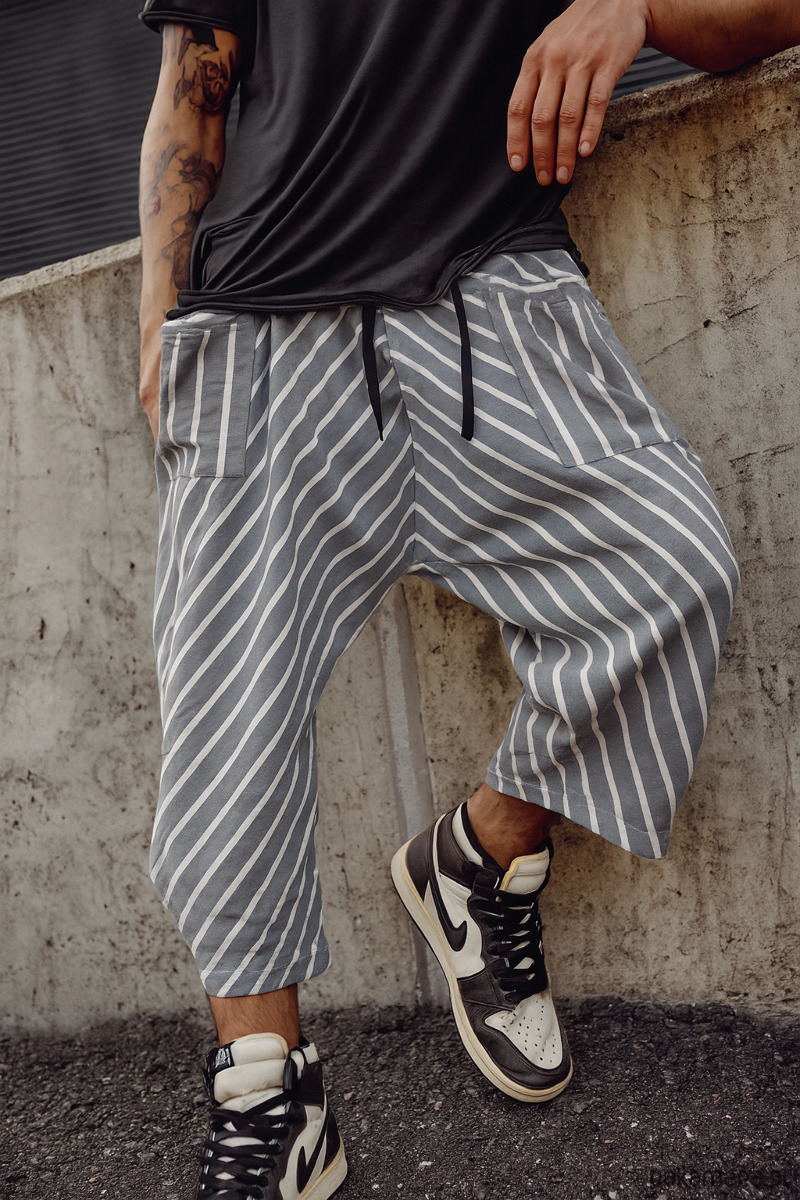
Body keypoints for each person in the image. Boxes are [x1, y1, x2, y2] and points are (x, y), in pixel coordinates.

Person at [137, 1, 799, 1197]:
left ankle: (480, 856)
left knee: (668, 571)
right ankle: (269, 1094)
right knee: (225, 715)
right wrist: (159, 306)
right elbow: (194, 82)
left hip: (494, 292)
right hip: (262, 322)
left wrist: (633, 3)